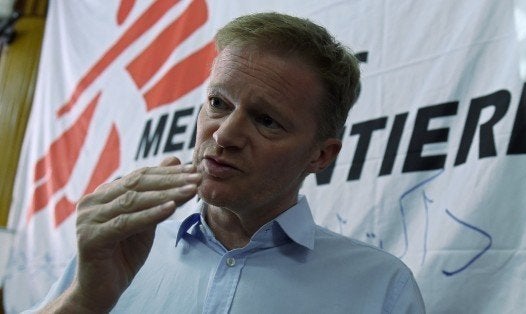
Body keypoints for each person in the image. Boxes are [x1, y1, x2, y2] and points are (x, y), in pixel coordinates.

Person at [30, 12, 425, 313]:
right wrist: (83, 301)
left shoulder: (381, 288)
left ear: (320, 155)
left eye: (266, 120)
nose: (223, 135)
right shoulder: (121, 250)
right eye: (218, 104)